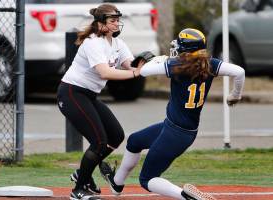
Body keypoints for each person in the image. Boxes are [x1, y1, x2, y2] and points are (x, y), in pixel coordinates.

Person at [99, 28, 245, 200]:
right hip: (179, 128)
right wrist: (235, 95)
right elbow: (239, 72)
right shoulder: (210, 64)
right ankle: (116, 183)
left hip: (176, 132)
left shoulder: (176, 66)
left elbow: (144, 72)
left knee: (147, 179)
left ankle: (186, 196)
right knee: (134, 141)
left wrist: (159, 60)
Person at [56, 3, 144, 200]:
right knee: (98, 142)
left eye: (117, 20)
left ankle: (83, 173)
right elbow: (105, 72)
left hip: (89, 95)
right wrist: (135, 73)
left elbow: (130, 63)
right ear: (100, 23)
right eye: (112, 21)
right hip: (71, 93)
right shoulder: (93, 42)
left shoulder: (118, 44)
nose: (116, 24)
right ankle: (79, 189)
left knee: (116, 136)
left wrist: (147, 63)